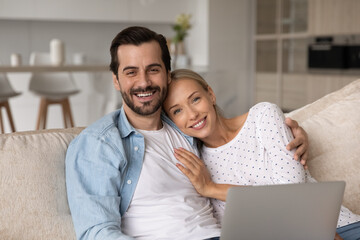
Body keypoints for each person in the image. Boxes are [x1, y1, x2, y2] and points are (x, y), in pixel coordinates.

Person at [65, 26, 308, 240]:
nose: (143, 82)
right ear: (116, 81)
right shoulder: (99, 144)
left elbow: (237, 139)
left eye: (153, 69)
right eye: (131, 72)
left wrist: (291, 130)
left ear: (167, 75)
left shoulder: (186, 126)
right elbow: (97, 232)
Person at [163, 68, 360, 240]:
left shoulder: (263, 116)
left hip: (342, 228)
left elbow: (291, 194)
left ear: (211, 94)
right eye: (177, 111)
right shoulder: (197, 164)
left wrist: (212, 189)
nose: (192, 114)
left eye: (195, 99)